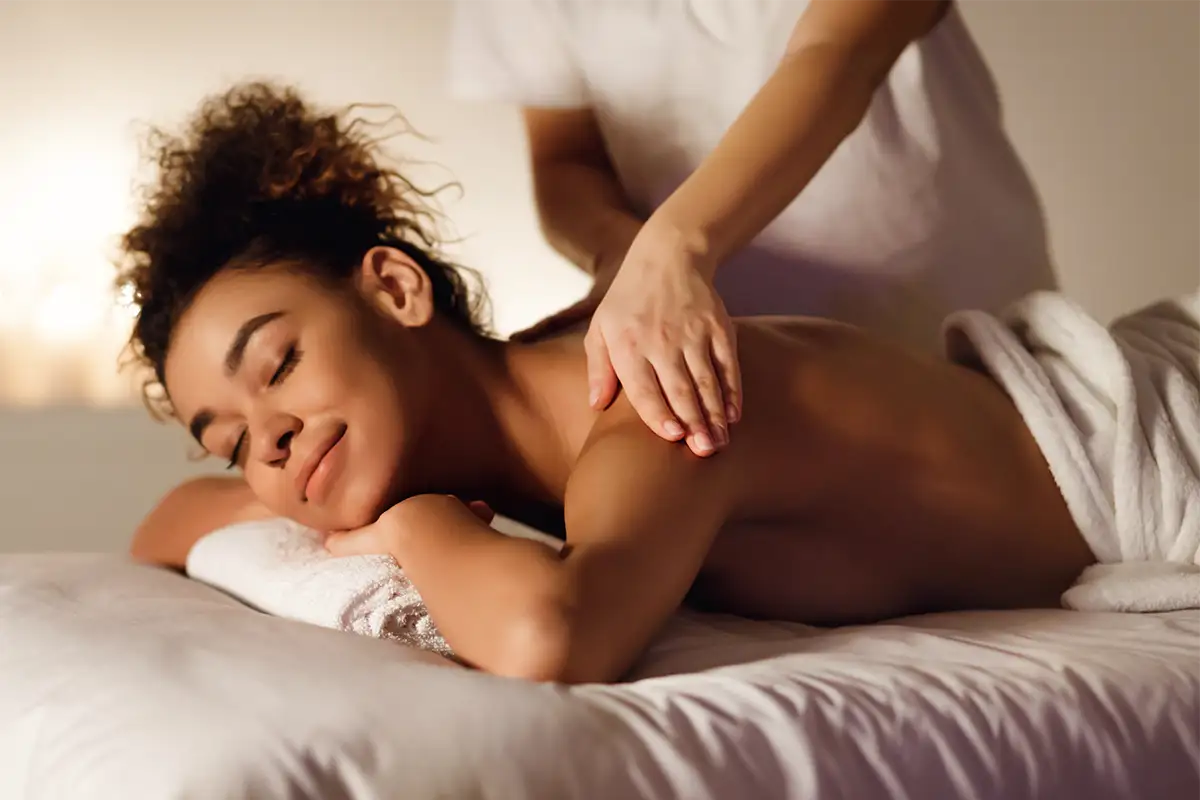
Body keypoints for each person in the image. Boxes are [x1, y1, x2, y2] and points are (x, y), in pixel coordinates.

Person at [123, 84, 1197, 686]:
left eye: (279, 363)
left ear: (397, 287)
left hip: (1162, 425)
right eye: (227, 437)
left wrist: (412, 530)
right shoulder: (529, 417)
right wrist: (271, 479)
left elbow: (556, 635)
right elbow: (164, 525)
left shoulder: (647, 399)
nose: (264, 439)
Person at [448, 0, 1058, 458]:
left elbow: (841, 56)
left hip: (961, 316)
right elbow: (567, 161)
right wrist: (623, 255)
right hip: (739, 361)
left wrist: (671, 250)